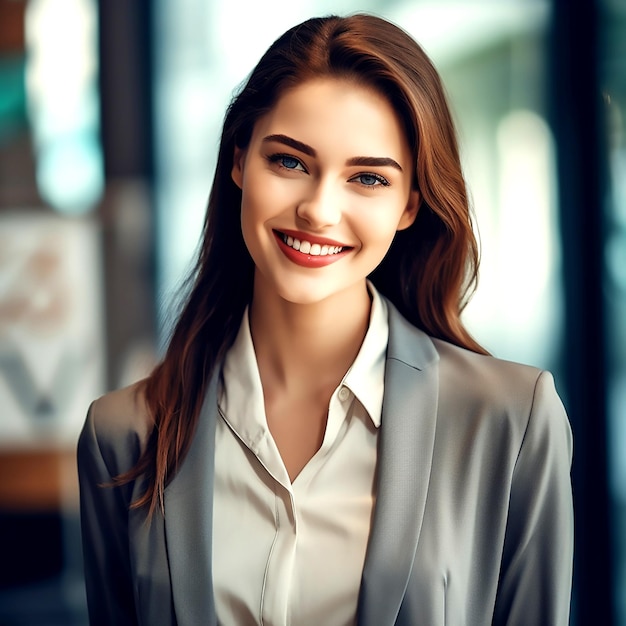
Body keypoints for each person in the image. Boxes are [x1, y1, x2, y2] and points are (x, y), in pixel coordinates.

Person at [77, 13, 574, 626]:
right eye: (289, 162)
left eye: (367, 178)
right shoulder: (124, 435)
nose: (318, 209)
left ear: (410, 204)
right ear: (239, 163)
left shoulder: (510, 421)